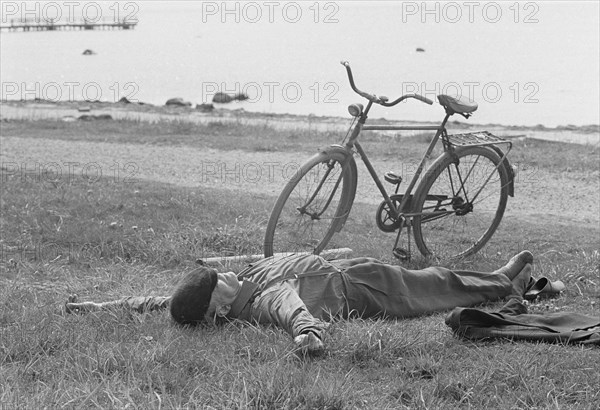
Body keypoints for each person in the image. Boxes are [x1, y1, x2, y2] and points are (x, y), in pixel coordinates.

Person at [66, 251, 535, 355]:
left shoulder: (241, 282)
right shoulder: (260, 300)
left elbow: (154, 300)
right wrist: (309, 335)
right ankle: (501, 283)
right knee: (434, 285)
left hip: (349, 267)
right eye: (219, 281)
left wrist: (99, 305)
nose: (226, 275)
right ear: (217, 311)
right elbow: (293, 309)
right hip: (367, 289)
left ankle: (502, 280)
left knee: (434, 277)